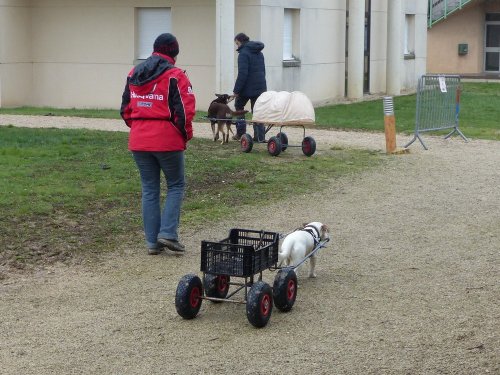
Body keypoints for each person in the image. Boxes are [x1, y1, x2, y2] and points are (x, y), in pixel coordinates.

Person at [120, 33, 196, 255]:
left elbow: (125, 109)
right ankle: (168, 234)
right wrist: (185, 136)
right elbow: (185, 112)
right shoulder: (176, 76)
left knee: (150, 189)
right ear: (174, 53)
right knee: (176, 185)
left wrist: (138, 128)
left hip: (139, 139)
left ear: (154, 49)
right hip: (167, 139)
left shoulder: (134, 73)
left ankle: (152, 242)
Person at [232, 32, 267, 142]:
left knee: (239, 106)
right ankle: (260, 137)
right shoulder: (259, 53)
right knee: (257, 111)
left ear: (240, 41)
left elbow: (242, 74)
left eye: (237, 43)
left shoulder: (243, 54)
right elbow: (263, 71)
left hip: (247, 88)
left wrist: (236, 91)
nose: (237, 46)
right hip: (260, 87)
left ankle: (240, 133)